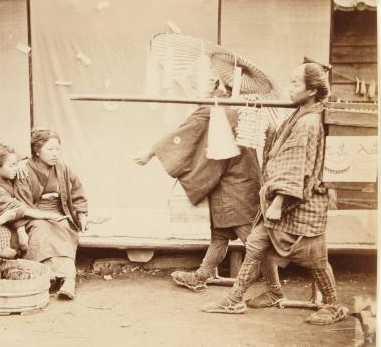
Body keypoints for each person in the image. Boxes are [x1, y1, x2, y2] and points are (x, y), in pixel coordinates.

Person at [201, 63, 349, 325]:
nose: (289, 87)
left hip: (299, 202)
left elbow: (295, 165)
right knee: (256, 244)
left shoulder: (309, 121)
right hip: (283, 199)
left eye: (295, 83)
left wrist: (278, 202)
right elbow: (281, 147)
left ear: (312, 90)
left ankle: (334, 304)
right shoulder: (299, 113)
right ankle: (239, 299)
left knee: (316, 258)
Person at [135, 88, 284, 309]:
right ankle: (201, 276)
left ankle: (275, 290)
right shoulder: (242, 109)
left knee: (254, 243)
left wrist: (151, 152)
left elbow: (185, 133)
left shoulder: (214, 110)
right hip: (239, 179)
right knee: (220, 235)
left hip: (237, 186)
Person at [14, 129, 89, 300]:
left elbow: (77, 190)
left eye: (57, 149)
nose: (55, 154)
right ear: (37, 150)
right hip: (34, 215)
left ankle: (69, 280)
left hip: (59, 212)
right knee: (42, 231)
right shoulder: (24, 170)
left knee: (63, 228)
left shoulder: (63, 168)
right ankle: (48, 276)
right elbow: (21, 202)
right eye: (50, 149)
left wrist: (82, 215)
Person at [0, 143, 70, 258]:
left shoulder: (5, 175)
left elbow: (26, 159)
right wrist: (49, 215)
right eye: (12, 165)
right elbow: (20, 209)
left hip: (16, 218)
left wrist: (22, 163)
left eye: (16, 164)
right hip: (5, 222)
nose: (16, 168)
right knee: (41, 228)